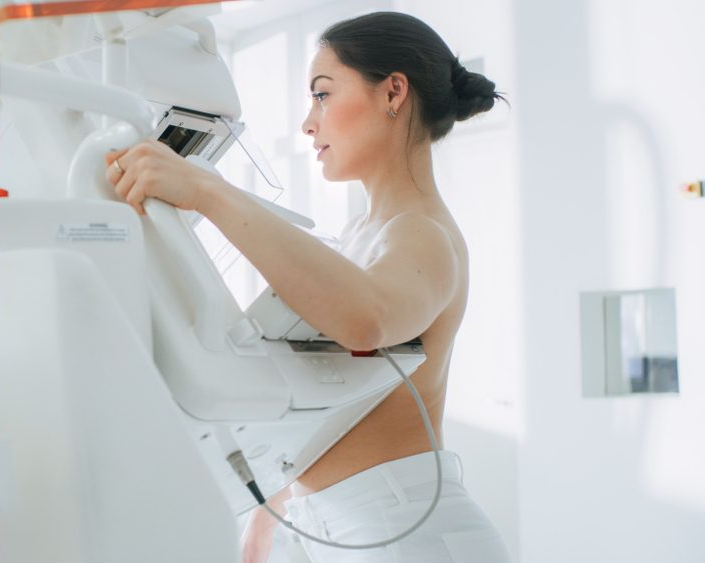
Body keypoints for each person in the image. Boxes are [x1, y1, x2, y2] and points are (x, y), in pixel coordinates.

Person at [105, 11, 510, 563]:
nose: (307, 124)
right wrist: (276, 505)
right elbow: (332, 395)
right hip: (349, 527)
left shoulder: (423, 235)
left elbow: (366, 318)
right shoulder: (364, 233)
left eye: (322, 95)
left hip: (407, 534)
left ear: (393, 92)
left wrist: (206, 191)